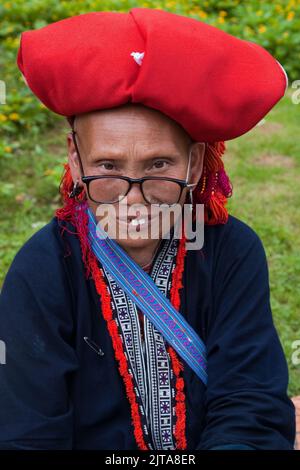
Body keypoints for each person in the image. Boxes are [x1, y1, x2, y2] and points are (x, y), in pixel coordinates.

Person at [0, 8, 295, 450]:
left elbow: (248, 402)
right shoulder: (44, 269)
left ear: (195, 163)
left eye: (159, 165)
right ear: (75, 161)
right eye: (108, 167)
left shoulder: (231, 250)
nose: (132, 199)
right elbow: (28, 430)